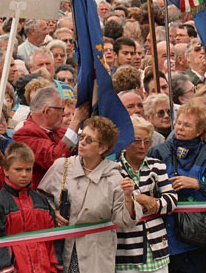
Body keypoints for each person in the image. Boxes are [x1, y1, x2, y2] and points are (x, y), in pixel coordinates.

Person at [38, 116, 142, 273]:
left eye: (89, 140)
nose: (82, 142)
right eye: (81, 136)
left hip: (96, 255)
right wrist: (54, 212)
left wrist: (128, 197)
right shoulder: (62, 166)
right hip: (61, 249)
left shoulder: (114, 178)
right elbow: (41, 199)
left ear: (102, 149)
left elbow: (125, 221)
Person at [149, 99, 206, 273]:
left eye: (187, 125)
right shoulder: (159, 152)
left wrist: (197, 184)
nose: (180, 128)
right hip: (162, 236)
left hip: (195, 239)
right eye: (178, 123)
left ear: (199, 131)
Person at [0, 143, 63, 273]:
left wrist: (55, 268)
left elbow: (54, 239)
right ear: (6, 170)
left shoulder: (41, 201)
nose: (24, 174)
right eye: (18, 169)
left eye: (28, 169)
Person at [116, 116, 178, 272]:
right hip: (126, 253)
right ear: (125, 140)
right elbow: (114, 203)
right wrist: (140, 198)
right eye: (137, 141)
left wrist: (151, 204)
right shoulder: (114, 170)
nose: (142, 146)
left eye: (147, 141)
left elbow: (171, 199)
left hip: (158, 250)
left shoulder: (157, 166)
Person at [13, 86, 87, 188]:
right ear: (47, 111)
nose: (63, 114)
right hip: (40, 196)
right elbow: (55, 159)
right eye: (61, 109)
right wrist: (76, 121)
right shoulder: (24, 135)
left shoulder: (57, 130)